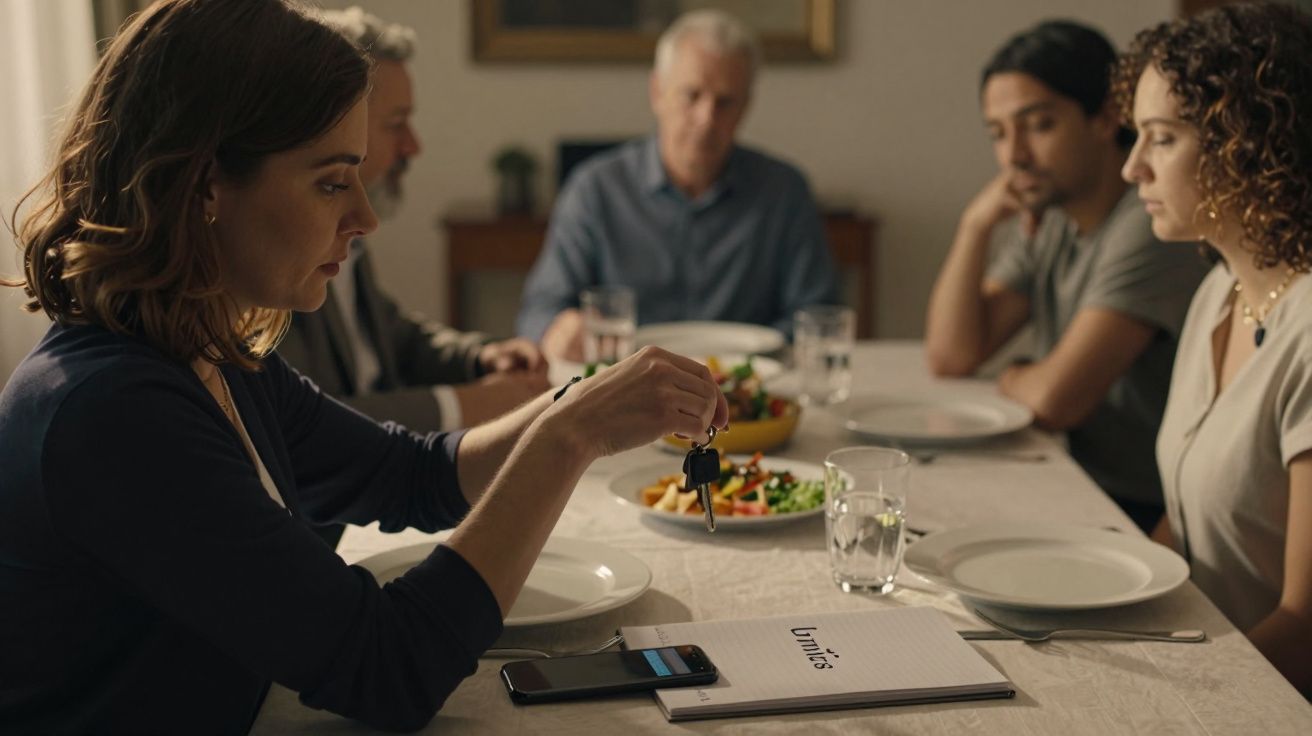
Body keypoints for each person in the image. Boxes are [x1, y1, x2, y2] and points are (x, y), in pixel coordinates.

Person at [0, 1, 726, 733]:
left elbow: (416, 476)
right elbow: (391, 669)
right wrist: (571, 437)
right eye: (330, 181)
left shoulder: (203, 352)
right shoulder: (113, 414)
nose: (365, 217)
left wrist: (588, 399)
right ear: (205, 186)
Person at [924, 20, 1209, 532]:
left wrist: (1015, 374)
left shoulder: (1152, 224)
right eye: (998, 134)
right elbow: (952, 353)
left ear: (1105, 119)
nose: (1015, 156)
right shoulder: (1055, 217)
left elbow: (1057, 399)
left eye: (1038, 125)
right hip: (1075, 479)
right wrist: (975, 225)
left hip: (1144, 511)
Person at [1117, 1, 1312, 693]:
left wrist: (1164, 689)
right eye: (1137, 137)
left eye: (1162, 138)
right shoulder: (1218, 292)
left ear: (1248, 140)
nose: (1132, 169)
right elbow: (1187, 521)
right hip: (1203, 656)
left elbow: (1306, 628)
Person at [277, 7, 549, 434]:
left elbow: (393, 334)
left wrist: (480, 357)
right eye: (397, 124)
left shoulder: (351, 229)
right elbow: (307, 427)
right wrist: (463, 404)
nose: (414, 146)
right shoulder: (278, 253)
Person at [515, 9, 840, 361]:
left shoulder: (784, 192)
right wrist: (559, 328)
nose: (706, 118)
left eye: (725, 101)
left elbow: (817, 313)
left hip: (744, 395)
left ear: (747, 105)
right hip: (625, 391)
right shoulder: (595, 190)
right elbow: (539, 311)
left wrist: (755, 357)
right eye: (692, 95)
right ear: (658, 92)